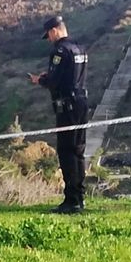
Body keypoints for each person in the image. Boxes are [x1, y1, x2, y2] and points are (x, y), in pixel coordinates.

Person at [28, 16, 88, 214]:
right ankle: (79, 197)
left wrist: (40, 80)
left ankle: (71, 200)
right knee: (78, 151)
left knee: (66, 152)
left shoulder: (60, 51)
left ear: (54, 31)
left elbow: (55, 81)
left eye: (49, 36)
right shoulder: (79, 47)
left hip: (67, 107)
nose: (50, 40)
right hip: (81, 103)